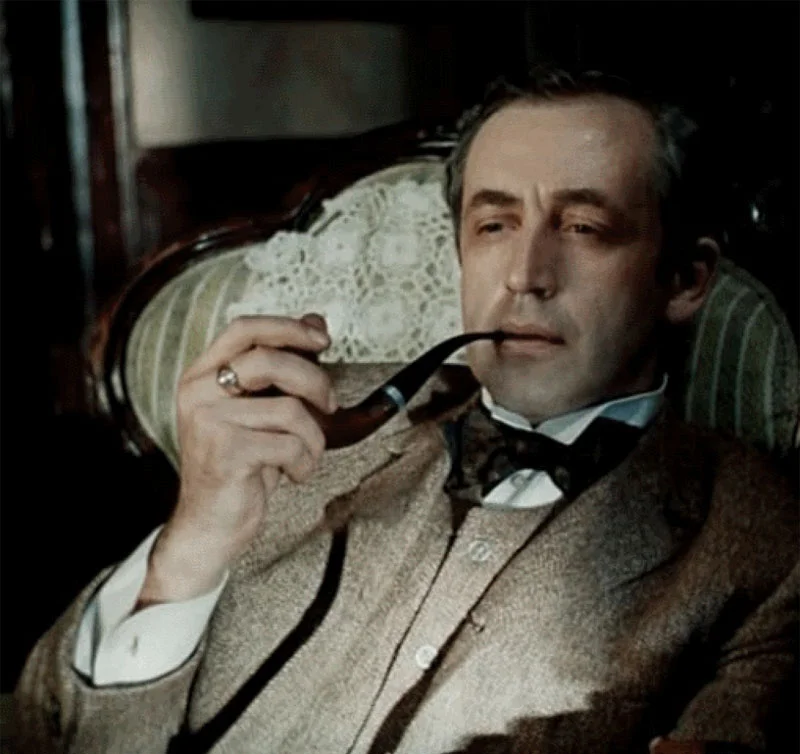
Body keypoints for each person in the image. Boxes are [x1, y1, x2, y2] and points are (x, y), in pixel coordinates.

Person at [13, 67, 798, 754]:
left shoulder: (760, 539)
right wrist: (192, 543)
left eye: (585, 227)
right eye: (494, 225)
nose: (525, 275)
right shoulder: (300, 413)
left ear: (685, 281)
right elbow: (38, 726)